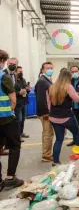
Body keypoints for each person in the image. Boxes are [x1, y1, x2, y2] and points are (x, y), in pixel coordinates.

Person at [47, 69, 79, 166]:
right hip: (66, 116)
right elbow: (77, 99)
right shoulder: (68, 87)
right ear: (68, 77)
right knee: (77, 134)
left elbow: (48, 104)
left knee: (59, 139)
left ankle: (55, 161)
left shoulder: (51, 87)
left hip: (53, 117)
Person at [0, 49, 24, 191]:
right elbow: (13, 99)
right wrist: (11, 110)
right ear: (3, 61)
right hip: (6, 118)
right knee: (14, 145)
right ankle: (10, 178)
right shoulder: (4, 77)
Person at [35, 62, 54, 162]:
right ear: (43, 70)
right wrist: (45, 113)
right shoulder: (42, 81)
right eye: (48, 68)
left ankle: (47, 153)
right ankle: (46, 155)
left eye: (51, 68)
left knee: (48, 133)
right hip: (45, 113)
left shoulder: (47, 80)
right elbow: (41, 99)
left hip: (47, 112)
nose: (50, 69)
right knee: (48, 134)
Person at [14, 66, 30, 139]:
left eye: (22, 71)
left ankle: (21, 132)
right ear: (15, 72)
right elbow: (12, 92)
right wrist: (18, 93)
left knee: (23, 118)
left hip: (24, 102)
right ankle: (17, 135)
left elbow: (26, 90)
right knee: (18, 119)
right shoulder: (14, 81)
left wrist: (28, 89)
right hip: (17, 102)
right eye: (19, 72)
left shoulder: (23, 80)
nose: (21, 73)